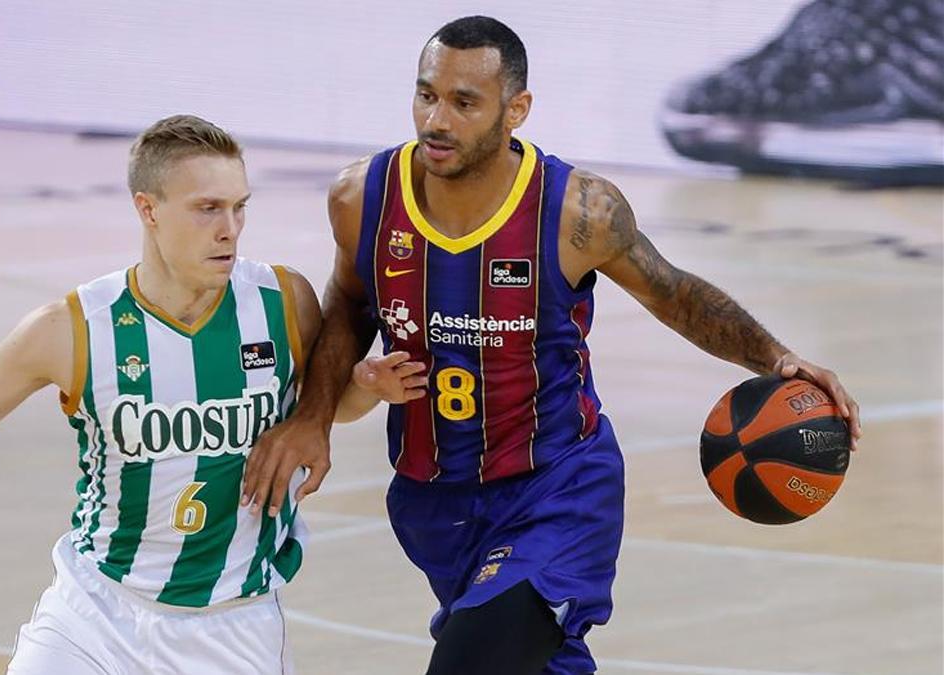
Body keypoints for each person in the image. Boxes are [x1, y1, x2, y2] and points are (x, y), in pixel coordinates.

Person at [241, 16, 862, 675]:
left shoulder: (577, 211)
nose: (437, 120)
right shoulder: (362, 196)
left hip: (558, 490)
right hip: (433, 500)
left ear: (517, 110)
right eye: (426, 95)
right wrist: (315, 417)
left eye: (464, 102)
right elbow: (350, 302)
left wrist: (775, 357)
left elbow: (673, 292)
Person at [0, 114, 371, 675]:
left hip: (233, 624)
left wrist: (368, 388)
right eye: (207, 208)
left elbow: (322, 411)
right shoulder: (73, 329)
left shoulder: (282, 300)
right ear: (148, 209)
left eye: (239, 206)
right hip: (97, 613)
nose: (230, 228)